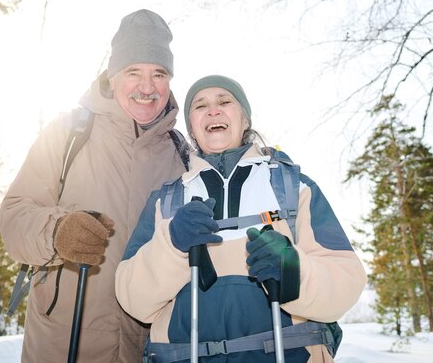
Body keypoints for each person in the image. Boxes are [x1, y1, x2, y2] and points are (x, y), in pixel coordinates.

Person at [115, 75, 368, 363]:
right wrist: (172, 247)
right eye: (200, 106)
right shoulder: (167, 200)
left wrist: (293, 273)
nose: (213, 110)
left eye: (225, 101)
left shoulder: (292, 187)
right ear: (192, 131)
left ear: (245, 119)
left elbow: (347, 283)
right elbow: (133, 300)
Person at [0, 9, 189, 363]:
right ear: (113, 77)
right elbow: (13, 218)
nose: (147, 88)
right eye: (134, 72)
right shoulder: (69, 133)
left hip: (151, 348)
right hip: (64, 344)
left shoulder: (183, 155)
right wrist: (57, 232)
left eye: (158, 74)